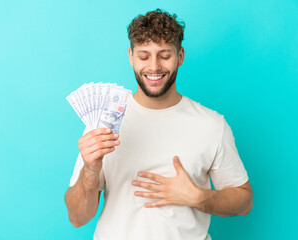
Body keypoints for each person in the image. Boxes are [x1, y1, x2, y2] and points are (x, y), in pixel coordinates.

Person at [64, 8, 253, 240]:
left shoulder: (211, 124)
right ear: (131, 56)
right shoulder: (103, 123)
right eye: (144, 56)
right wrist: (90, 170)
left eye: (165, 55)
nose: (154, 67)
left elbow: (244, 202)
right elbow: (77, 217)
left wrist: (199, 198)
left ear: (180, 56)